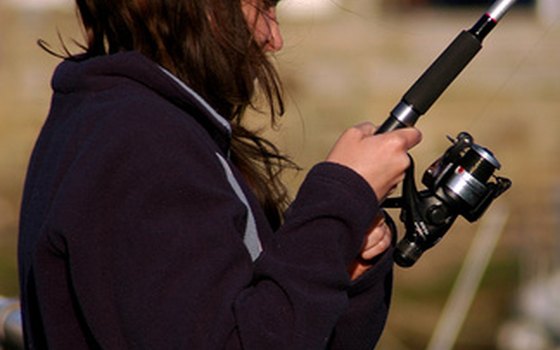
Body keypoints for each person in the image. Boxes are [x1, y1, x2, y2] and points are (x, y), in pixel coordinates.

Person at [17, 0, 422, 349]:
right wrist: (339, 197)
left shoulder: (115, 118)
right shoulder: (142, 145)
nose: (273, 38)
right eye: (262, 7)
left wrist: (346, 260)